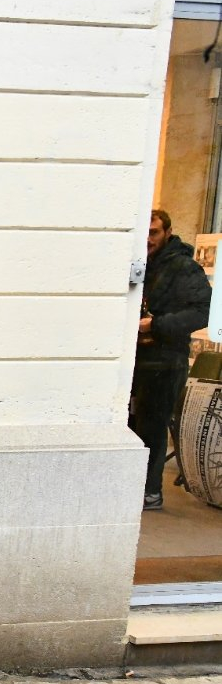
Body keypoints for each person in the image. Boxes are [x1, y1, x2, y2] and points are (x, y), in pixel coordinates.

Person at [132, 209, 210, 510]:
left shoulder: (182, 267)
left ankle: (150, 492)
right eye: (145, 232)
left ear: (166, 233)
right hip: (141, 359)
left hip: (165, 361)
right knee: (133, 426)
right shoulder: (143, 263)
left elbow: (202, 310)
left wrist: (157, 324)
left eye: (154, 232)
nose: (148, 238)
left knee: (152, 427)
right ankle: (137, 490)